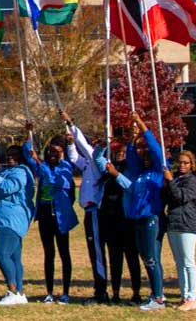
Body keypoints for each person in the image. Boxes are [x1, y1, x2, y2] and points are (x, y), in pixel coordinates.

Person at [21, 125, 76, 305]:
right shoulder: (42, 166)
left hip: (60, 215)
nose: (53, 154)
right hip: (45, 213)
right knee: (48, 253)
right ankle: (50, 292)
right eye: (51, 150)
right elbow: (28, 154)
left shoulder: (65, 168)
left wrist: (40, 163)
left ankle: (66, 291)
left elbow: (54, 182)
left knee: (64, 253)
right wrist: (28, 135)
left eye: (58, 151)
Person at [65, 113, 115, 304]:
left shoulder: (96, 161)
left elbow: (84, 147)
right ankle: (99, 288)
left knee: (97, 252)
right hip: (87, 213)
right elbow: (74, 156)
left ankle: (101, 291)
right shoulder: (87, 163)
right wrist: (70, 142)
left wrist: (71, 123)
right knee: (93, 253)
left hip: (95, 212)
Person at [125, 114, 169, 310]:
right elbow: (130, 156)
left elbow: (156, 149)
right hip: (139, 219)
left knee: (151, 257)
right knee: (148, 257)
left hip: (153, 217)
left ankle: (158, 298)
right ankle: (156, 293)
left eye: (146, 154)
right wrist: (133, 137)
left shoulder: (158, 171)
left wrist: (142, 125)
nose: (144, 157)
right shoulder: (139, 174)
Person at [0, 143, 36, 306]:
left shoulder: (21, 172)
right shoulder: (6, 171)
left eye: (15, 154)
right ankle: (20, 293)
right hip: (2, 217)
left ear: (21, 157)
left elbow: (10, 187)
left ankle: (12, 290)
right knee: (15, 256)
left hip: (11, 218)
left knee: (1, 253)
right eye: (8, 154)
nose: (10, 157)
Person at [100, 139, 142, 304]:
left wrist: (116, 174)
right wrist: (102, 144)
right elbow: (97, 157)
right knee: (115, 259)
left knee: (132, 258)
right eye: (117, 152)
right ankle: (115, 292)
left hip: (127, 221)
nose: (120, 155)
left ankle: (136, 292)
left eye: (123, 153)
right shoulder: (106, 170)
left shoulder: (130, 170)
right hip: (110, 220)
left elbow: (131, 187)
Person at [165, 148, 196, 311]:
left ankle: (192, 298)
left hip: (187, 224)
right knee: (179, 262)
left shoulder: (192, 180)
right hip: (174, 223)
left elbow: (182, 197)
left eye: (185, 163)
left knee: (188, 261)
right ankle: (184, 295)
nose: (181, 165)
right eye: (179, 162)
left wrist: (170, 181)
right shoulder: (176, 179)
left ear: (191, 164)